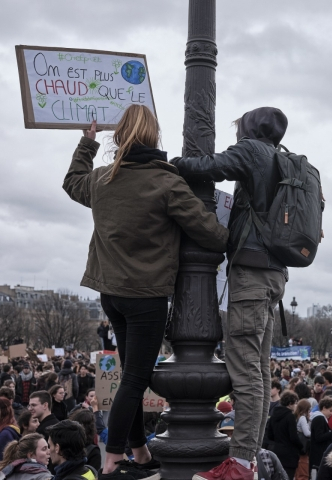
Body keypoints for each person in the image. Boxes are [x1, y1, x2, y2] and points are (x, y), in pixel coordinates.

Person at [63, 107, 228, 477]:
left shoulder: (102, 179)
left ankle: (138, 452)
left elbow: (72, 182)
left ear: (119, 137)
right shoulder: (166, 183)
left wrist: (86, 143)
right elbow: (213, 235)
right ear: (155, 138)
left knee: (129, 378)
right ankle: (114, 458)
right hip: (146, 296)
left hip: (110, 293)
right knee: (135, 379)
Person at [172, 107, 289, 480]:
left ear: (251, 128)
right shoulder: (283, 160)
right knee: (260, 370)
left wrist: (175, 163)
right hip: (274, 273)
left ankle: (239, 464)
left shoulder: (254, 151)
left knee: (244, 369)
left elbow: (208, 166)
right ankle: (249, 458)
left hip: (252, 273)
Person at [265, 391, 303, 480]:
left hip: (276, 451)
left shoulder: (274, 415)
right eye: (295, 403)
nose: (296, 406)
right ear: (290, 404)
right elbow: (293, 437)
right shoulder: (290, 416)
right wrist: (301, 447)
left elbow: (270, 435)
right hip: (289, 454)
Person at [310, 398, 332, 478]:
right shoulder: (320, 418)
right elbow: (319, 437)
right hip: (319, 453)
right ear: (324, 408)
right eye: (330, 410)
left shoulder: (319, 418)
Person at [295, 399, 311, 480]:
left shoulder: (297, 417)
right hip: (303, 447)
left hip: (297, 447)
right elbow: (307, 433)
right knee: (303, 470)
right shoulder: (302, 418)